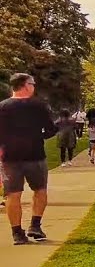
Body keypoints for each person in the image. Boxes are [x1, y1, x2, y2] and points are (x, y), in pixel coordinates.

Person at [0, 73, 58, 244]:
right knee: (40, 191)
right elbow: (51, 129)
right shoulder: (39, 106)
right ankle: (35, 224)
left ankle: (17, 233)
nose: (34, 87)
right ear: (26, 85)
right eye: (32, 83)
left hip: (10, 158)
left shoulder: (2, 107)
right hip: (35, 155)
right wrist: (40, 134)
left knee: (12, 195)